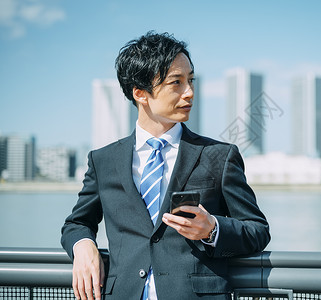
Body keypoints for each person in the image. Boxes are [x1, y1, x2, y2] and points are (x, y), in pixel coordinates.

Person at [61, 31, 270, 300]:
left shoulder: (219, 155)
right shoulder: (103, 160)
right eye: (177, 83)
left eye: (191, 80)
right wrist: (84, 246)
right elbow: (76, 223)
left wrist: (213, 230)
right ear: (140, 93)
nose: (190, 93)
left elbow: (257, 230)